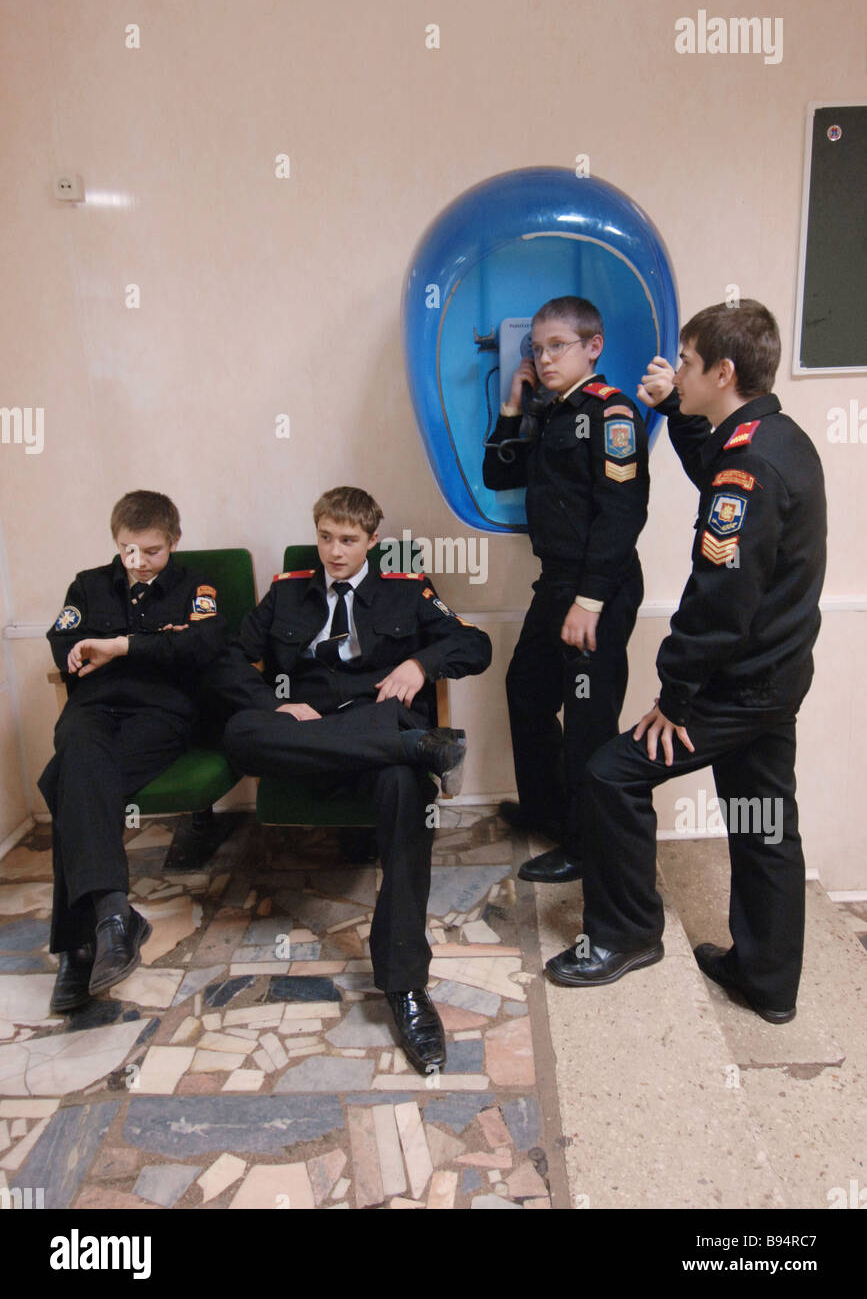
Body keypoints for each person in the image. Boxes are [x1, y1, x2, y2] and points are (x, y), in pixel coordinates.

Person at [546, 300, 827, 1024]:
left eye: (689, 361)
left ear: (723, 371)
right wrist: (675, 408)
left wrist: (673, 698)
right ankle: (766, 981)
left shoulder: (750, 467)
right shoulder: (776, 438)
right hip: (776, 678)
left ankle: (625, 934)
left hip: (736, 684)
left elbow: (718, 602)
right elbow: (717, 470)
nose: (678, 368)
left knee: (610, 774)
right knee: (764, 821)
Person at [203, 486, 491, 1073]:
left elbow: (473, 643)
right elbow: (230, 660)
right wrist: (275, 706)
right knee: (240, 732)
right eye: (327, 538)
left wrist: (419, 664)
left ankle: (406, 987)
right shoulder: (287, 595)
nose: (336, 552)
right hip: (306, 737)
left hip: (375, 727)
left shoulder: (407, 591)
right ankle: (418, 747)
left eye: (349, 541)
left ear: (373, 543)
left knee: (405, 792)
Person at [39, 490, 228, 1013]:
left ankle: (78, 951)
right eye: (128, 550)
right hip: (94, 710)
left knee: (68, 785)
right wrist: (154, 642)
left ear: (174, 541)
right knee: (77, 747)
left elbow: (203, 645)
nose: (139, 562)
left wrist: (119, 645)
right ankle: (115, 916)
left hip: (161, 714)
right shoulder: (88, 584)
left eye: (151, 551)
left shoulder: (196, 586)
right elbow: (65, 644)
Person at [483, 296, 650, 882]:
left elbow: (622, 513)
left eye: (558, 346)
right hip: (555, 583)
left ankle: (587, 845)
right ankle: (549, 814)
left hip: (595, 589)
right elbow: (498, 474)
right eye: (537, 348)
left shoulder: (612, 413)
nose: (545, 357)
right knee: (526, 692)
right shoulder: (551, 412)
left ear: (593, 347)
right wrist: (513, 404)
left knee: (587, 718)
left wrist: (590, 600)